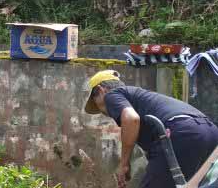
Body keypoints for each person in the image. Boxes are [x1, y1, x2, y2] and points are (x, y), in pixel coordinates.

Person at [84, 70, 218, 188]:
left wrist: (124, 164)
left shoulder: (112, 95)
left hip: (183, 131)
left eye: (96, 103)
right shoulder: (139, 97)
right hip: (210, 132)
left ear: (101, 90)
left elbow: (131, 119)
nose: (101, 111)